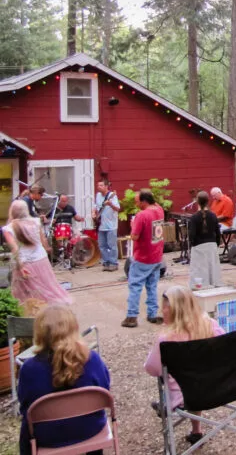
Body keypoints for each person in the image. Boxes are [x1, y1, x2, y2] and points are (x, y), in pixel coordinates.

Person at [18, 305, 110, 455]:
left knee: (26, 424)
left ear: (39, 333)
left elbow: (25, 406)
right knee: (92, 413)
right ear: (74, 329)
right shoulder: (92, 360)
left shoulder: (29, 369)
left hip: (47, 437)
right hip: (90, 429)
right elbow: (105, 390)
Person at [145, 286, 225, 445]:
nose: (162, 311)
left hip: (186, 395)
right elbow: (226, 350)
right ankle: (196, 431)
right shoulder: (210, 325)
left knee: (182, 381)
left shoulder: (166, 339)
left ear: (175, 310)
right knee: (196, 376)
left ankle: (166, 405)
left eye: (165, 307)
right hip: (220, 387)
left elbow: (152, 369)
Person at [3, 201, 72, 305]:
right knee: (46, 286)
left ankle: (31, 312)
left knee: (24, 292)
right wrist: (48, 249)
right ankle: (48, 308)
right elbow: (43, 240)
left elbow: (15, 249)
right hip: (41, 259)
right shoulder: (36, 221)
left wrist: (20, 266)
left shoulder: (8, 228)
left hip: (25, 263)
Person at [121, 190, 165, 328]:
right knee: (152, 286)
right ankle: (152, 314)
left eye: (137, 201)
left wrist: (133, 224)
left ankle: (131, 316)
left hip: (143, 257)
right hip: (157, 256)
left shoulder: (142, 215)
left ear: (144, 201)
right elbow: (155, 202)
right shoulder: (159, 210)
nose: (136, 203)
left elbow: (134, 236)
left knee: (135, 287)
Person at [187, 191, 221, 289]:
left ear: (197, 202)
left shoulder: (194, 217)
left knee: (199, 269)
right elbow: (217, 232)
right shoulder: (213, 215)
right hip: (212, 245)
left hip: (198, 246)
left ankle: (200, 285)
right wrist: (216, 244)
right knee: (212, 267)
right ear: (208, 201)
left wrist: (193, 244)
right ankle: (214, 283)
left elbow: (191, 234)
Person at [93, 179, 120, 272]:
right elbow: (96, 207)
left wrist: (110, 204)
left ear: (106, 186)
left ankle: (114, 263)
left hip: (111, 225)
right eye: (98, 185)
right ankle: (106, 262)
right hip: (101, 224)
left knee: (112, 245)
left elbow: (117, 208)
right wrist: (93, 213)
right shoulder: (98, 196)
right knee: (102, 245)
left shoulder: (112, 196)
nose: (98, 187)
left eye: (101, 185)